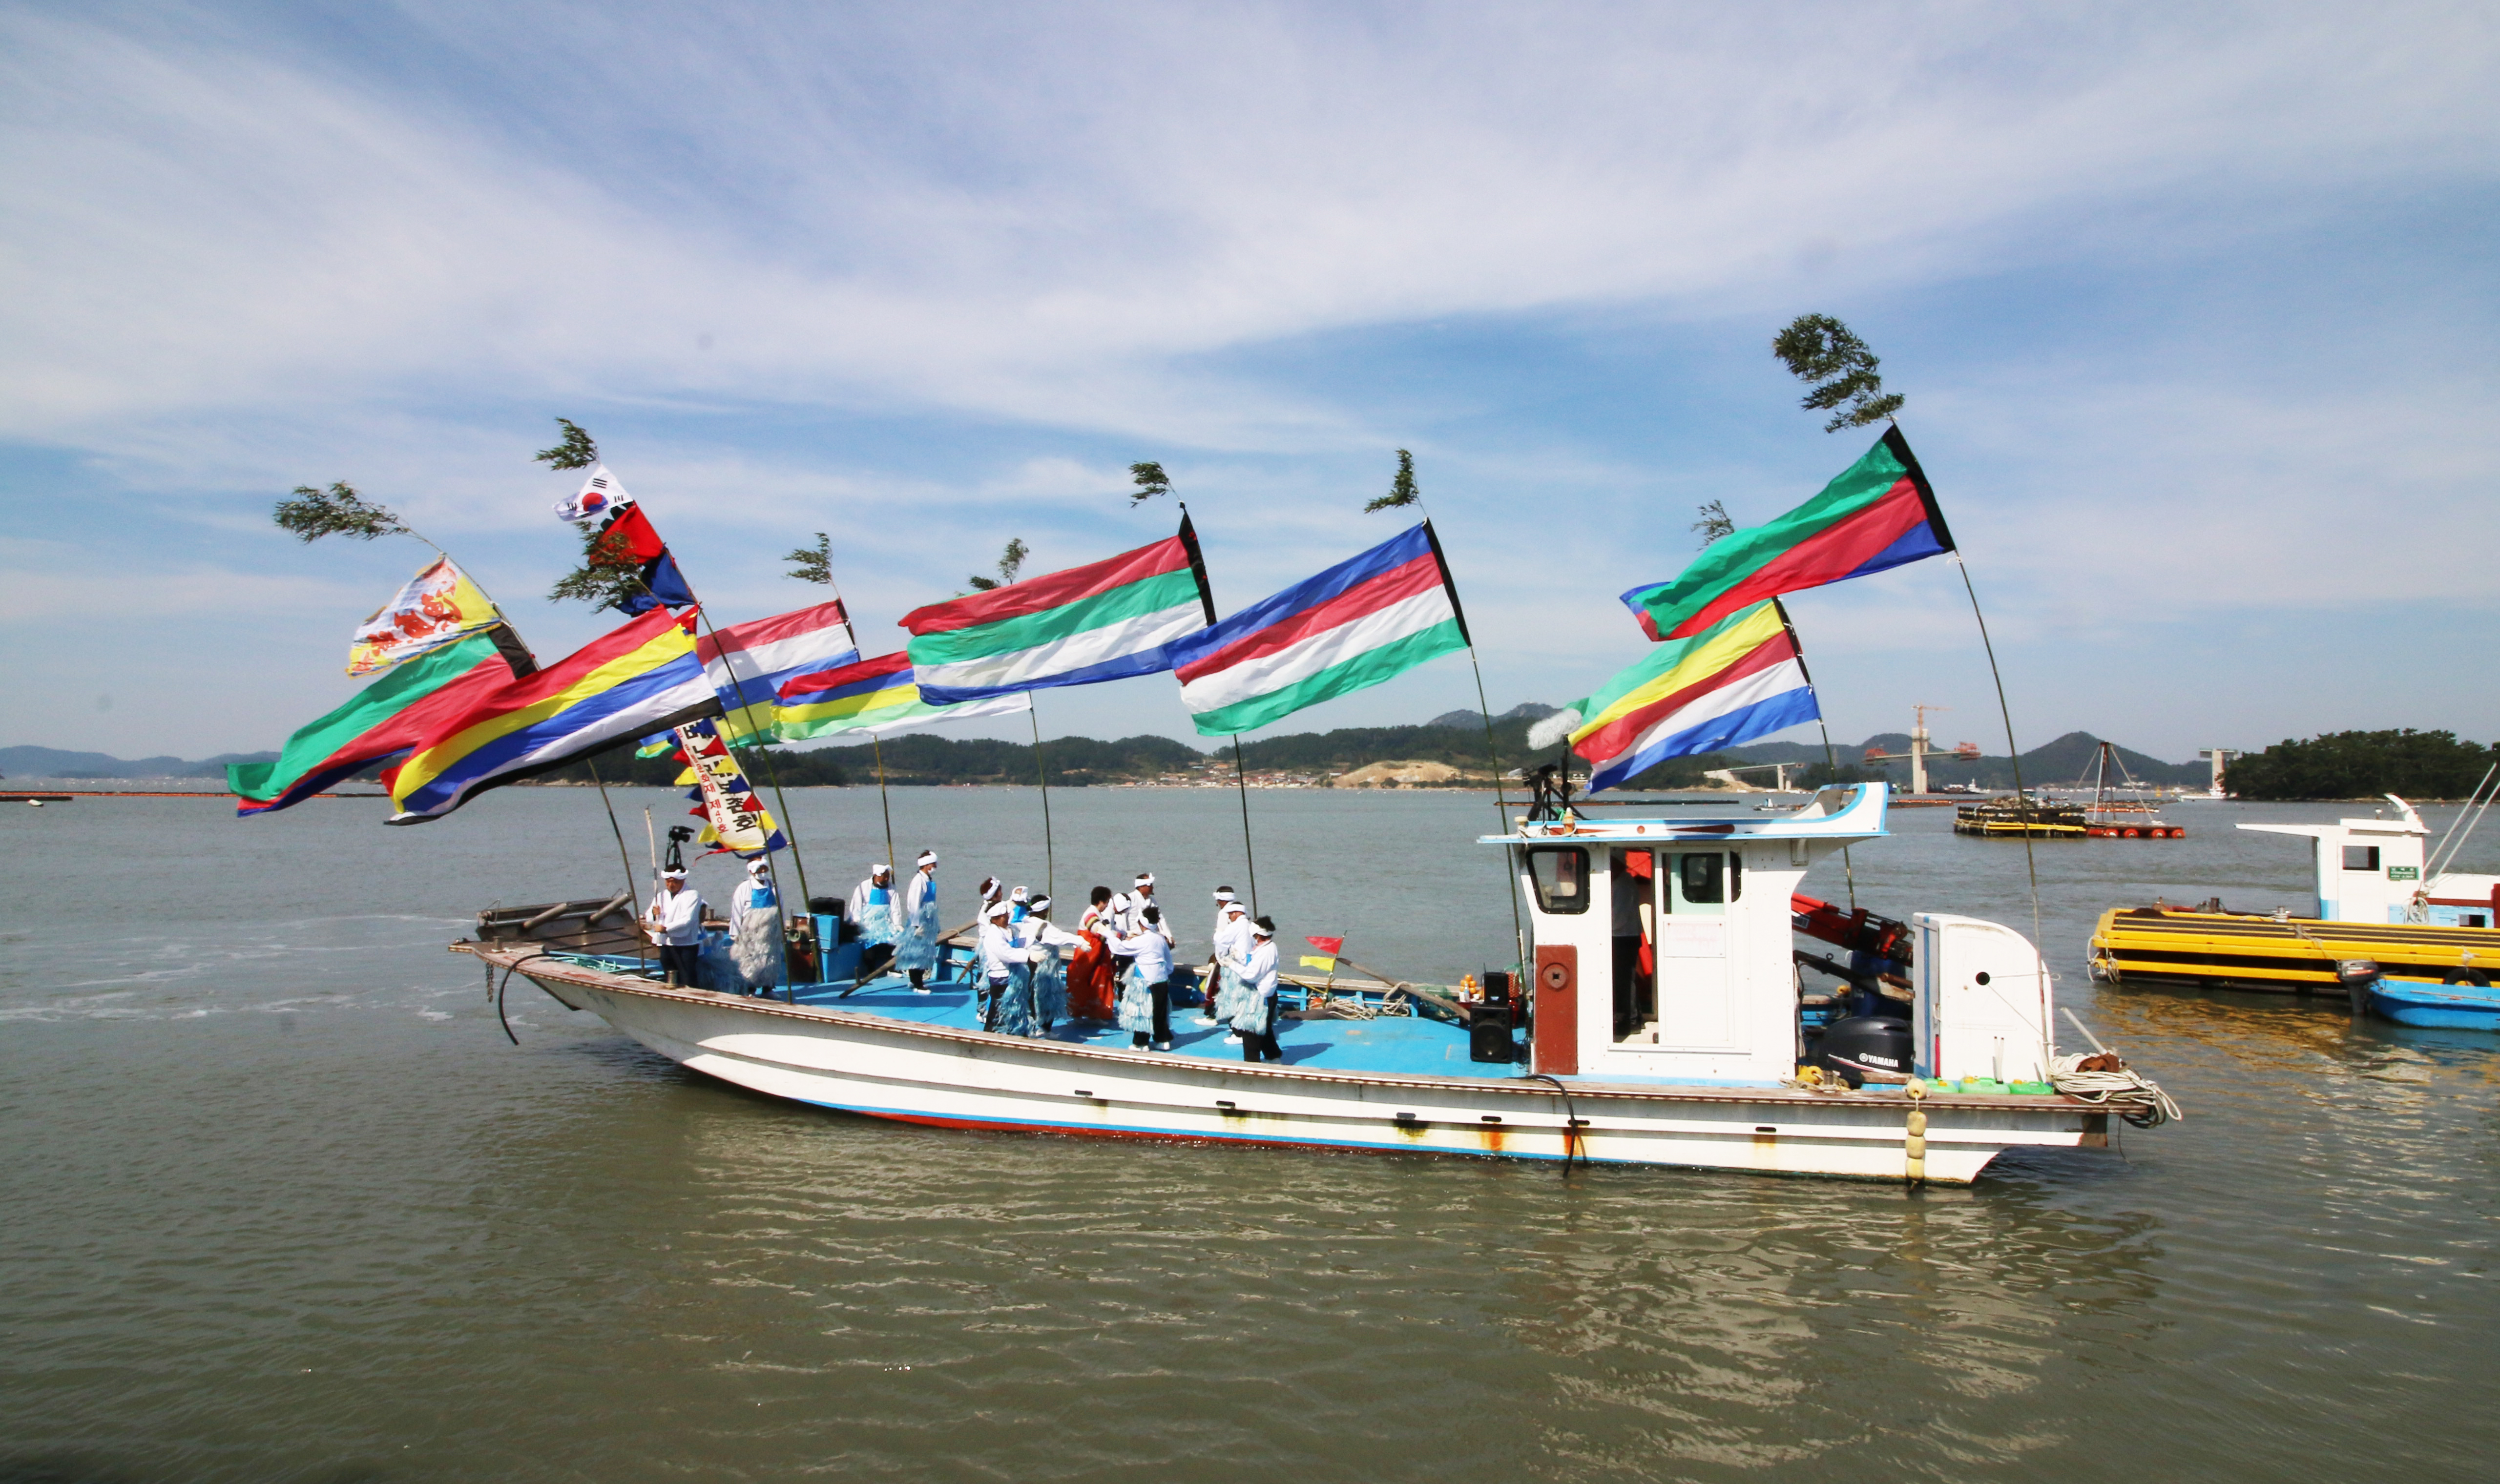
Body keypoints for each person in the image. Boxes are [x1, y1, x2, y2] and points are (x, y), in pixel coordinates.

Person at [1107, 904, 1174, 1051]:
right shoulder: (1160, 939)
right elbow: (1169, 962)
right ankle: (1162, 1040)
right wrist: (1166, 972)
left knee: (1142, 1011)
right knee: (1160, 1010)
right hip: (1161, 979)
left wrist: (1108, 934)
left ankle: (1141, 1042)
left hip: (1145, 979)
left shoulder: (1142, 940)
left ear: (1142, 923)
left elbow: (1119, 948)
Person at [1021, 894, 1086, 1033]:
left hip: (1025, 964)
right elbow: (1061, 937)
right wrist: (1080, 941)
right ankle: (1044, 1028)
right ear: (1044, 911)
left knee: (1029, 997)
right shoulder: (1044, 927)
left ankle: (1030, 1027)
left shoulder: (1023, 923)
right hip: (1042, 967)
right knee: (1046, 997)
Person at [1227, 914, 1284, 1062]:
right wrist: (1240, 957)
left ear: (1257, 935)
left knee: (1250, 1031)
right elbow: (1253, 962)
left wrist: (1232, 965)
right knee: (1264, 1029)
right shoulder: (1264, 948)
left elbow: (1252, 975)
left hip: (1260, 998)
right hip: (1265, 995)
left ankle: (1252, 1063)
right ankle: (1273, 1056)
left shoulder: (1267, 951)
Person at [977, 898, 1037, 1034]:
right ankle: (990, 1035)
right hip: (1001, 979)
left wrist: (1033, 938)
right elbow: (1006, 954)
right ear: (997, 918)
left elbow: (1016, 944)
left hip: (1012, 977)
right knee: (998, 1011)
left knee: (1014, 1010)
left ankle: (1014, 1033)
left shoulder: (1006, 930)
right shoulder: (993, 934)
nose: (1009, 917)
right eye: (1006, 916)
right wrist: (1028, 956)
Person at [729, 858, 786, 995]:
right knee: (750, 960)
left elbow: (781, 908)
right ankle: (750, 988)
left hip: (770, 932)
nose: (762, 872)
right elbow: (736, 910)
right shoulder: (744, 888)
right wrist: (735, 933)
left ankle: (768, 988)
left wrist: (782, 930)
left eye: (764, 869)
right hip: (750, 931)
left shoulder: (773, 886)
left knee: (770, 959)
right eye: (759, 869)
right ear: (751, 871)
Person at [644, 866, 704, 989]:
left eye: (675, 882)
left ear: (683, 881)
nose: (671, 885)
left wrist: (666, 928)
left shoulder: (692, 895)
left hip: (686, 944)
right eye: (668, 882)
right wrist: (654, 914)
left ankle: (691, 998)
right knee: (670, 975)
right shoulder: (661, 895)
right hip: (666, 943)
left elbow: (688, 920)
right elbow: (650, 918)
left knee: (687, 977)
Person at [1068, 886, 1118, 1020]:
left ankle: (1095, 1015)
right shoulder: (1090, 915)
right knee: (1083, 984)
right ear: (1102, 902)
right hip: (1088, 958)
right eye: (1107, 902)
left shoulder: (1099, 915)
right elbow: (1098, 930)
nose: (1107, 905)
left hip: (1098, 958)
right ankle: (1083, 1014)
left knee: (1098, 984)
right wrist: (1120, 936)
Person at [896, 850, 941, 991]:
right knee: (917, 952)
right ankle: (916, 983)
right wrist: (916, 925)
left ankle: (917, 980)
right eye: (934, 864)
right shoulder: (918, 881)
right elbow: (914, 904)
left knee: (924, 951)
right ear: (926, 865)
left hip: (928, 921)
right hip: (920, 922)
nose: (936, 867)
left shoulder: (928, 880)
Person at [847, 863, 901, 977]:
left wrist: (897, 924)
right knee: (870, 944)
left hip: (885, 921)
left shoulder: (892, 888)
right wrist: (857, 923)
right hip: (869, 922)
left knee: (893, 941)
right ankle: (871, 970)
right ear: (877, 876)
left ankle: (892, 968)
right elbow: (856, 907)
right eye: (885, 877)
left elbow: (895, 909)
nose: (887, 879)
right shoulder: (863, 887)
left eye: (888, 877)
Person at [1207, 896, 1252, 1030]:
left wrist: (1220, 956)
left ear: (1237, 913)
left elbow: (1221, 941)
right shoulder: (1250, 925)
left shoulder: (1237, 926)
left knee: (1233, 998)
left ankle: (1237, 1030)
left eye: (1231, 915)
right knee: (1244, 998)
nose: (1229, 918)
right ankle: (1242, 1027)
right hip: (1248, 965)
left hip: (1237, 967)